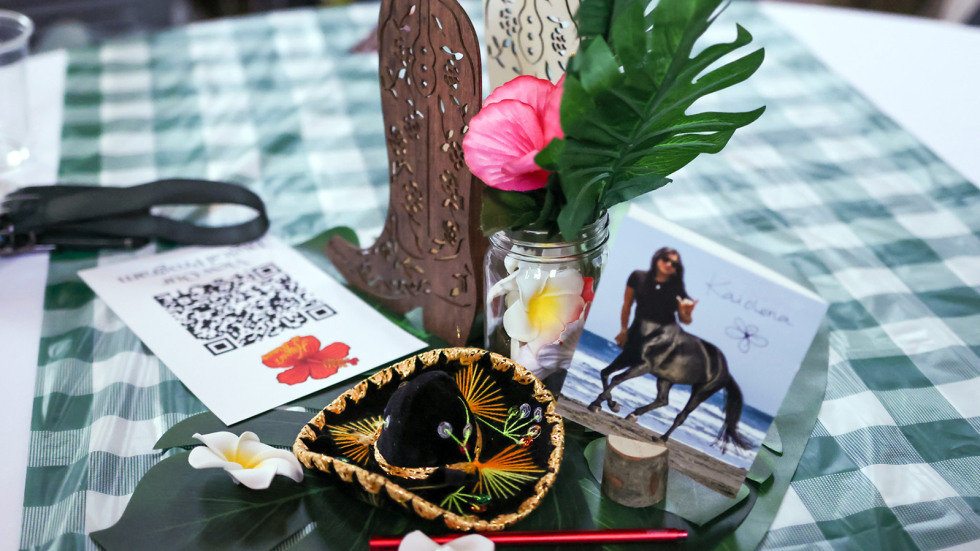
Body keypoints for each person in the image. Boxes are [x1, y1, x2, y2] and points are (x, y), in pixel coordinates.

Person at [591, 247, 698, 411]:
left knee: (628, 370)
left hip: (663, 335)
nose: (669, 265)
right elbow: (627, 305)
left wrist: (686, 312)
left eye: (674, 264)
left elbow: (685, 320)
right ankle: (609, 399)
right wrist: (623, 330)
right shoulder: (638, 277)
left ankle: (600, 399)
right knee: (606, 372)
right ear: (657, 258)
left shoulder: (677, 288)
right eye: (665, 259)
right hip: (637, 330)